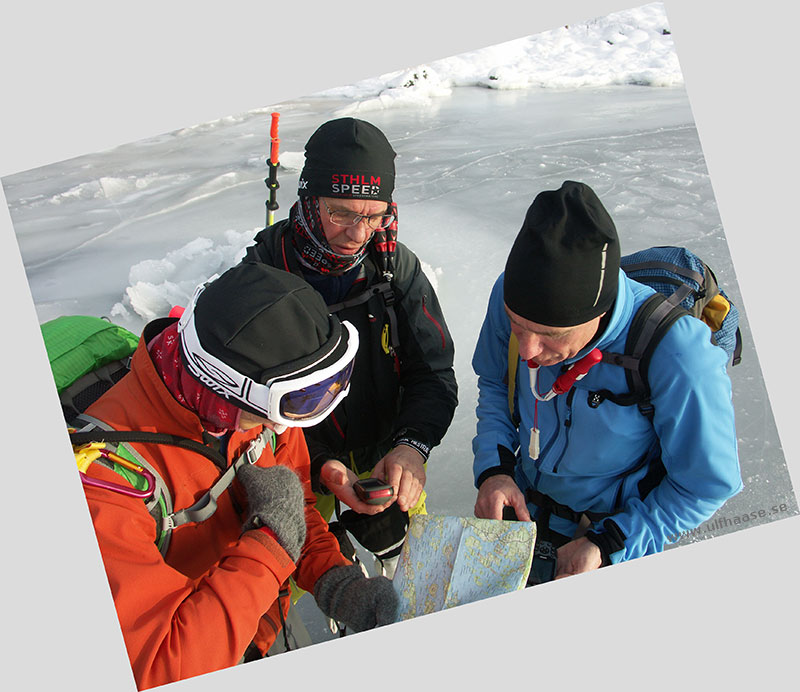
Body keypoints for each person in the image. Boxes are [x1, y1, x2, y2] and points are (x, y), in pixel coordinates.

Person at [76, 262, 397, 690]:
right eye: (286, 408)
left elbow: (292, 508)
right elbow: (158, 670)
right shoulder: (105, 484)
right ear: (222, 391)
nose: (285, 428)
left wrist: (336, 583)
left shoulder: (261, 411)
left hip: (258, 631)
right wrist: (270, 546)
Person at [471, 180, 742, 579]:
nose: (527, 351)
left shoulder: (678, 354)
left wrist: (609, 543)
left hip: (611, 532)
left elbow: (704, 485)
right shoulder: (506, 294)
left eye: (551, 335)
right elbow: (495, 384)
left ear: (597, 315)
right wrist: (495, 471)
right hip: (523, 506)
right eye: (517, 326)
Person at [244, 117, 458, 576]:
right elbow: (245, 408)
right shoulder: (261, 279)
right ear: (309, 198)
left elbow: (433, 373)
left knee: (414, 570)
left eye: (374, 215)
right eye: (341, 213)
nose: (360, 234)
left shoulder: (394, 268)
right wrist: (320, 463)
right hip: (296, 467)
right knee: (291, 579)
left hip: (388, 456)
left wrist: (411, 448)